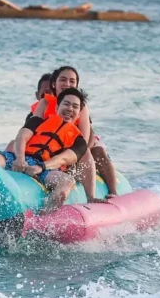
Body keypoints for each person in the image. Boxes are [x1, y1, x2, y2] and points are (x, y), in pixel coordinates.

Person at [0, 88, 89, 212]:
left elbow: (63, 158)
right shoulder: (38, 121)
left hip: (47, 169)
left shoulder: (79, 141)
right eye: (66, 104)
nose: (70, 109)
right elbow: (21, 137)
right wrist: (20, 158)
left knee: (67, 182)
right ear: (57, 106)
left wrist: (41, 166)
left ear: (79, 114)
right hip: (19, 158)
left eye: (75, 106)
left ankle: (42, 219)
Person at [32, 66, 119, 202]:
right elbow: (32, 130)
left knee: (97, 151)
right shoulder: (46, 102)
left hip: (81, 143)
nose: (67, 84)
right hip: (53, 144)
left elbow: (84, 140)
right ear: (54, 83)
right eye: (63, 80)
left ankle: (112, 191)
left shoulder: (79, 105)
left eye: (72, 81)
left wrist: (69, 156)